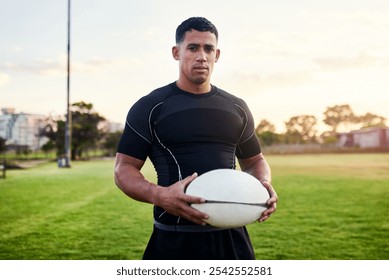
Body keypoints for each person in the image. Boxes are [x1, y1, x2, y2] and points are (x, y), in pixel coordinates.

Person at [114, 17, 278, 260]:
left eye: (208, 48)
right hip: (174, 237)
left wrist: (262, 185)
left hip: (232, 238)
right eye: (193, 48)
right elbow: (123, 169)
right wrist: (160, 195)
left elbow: (255, 161)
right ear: (176, 52)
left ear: (217, 55)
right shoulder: (150, 107)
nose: (202, 56)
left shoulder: (236, 107)